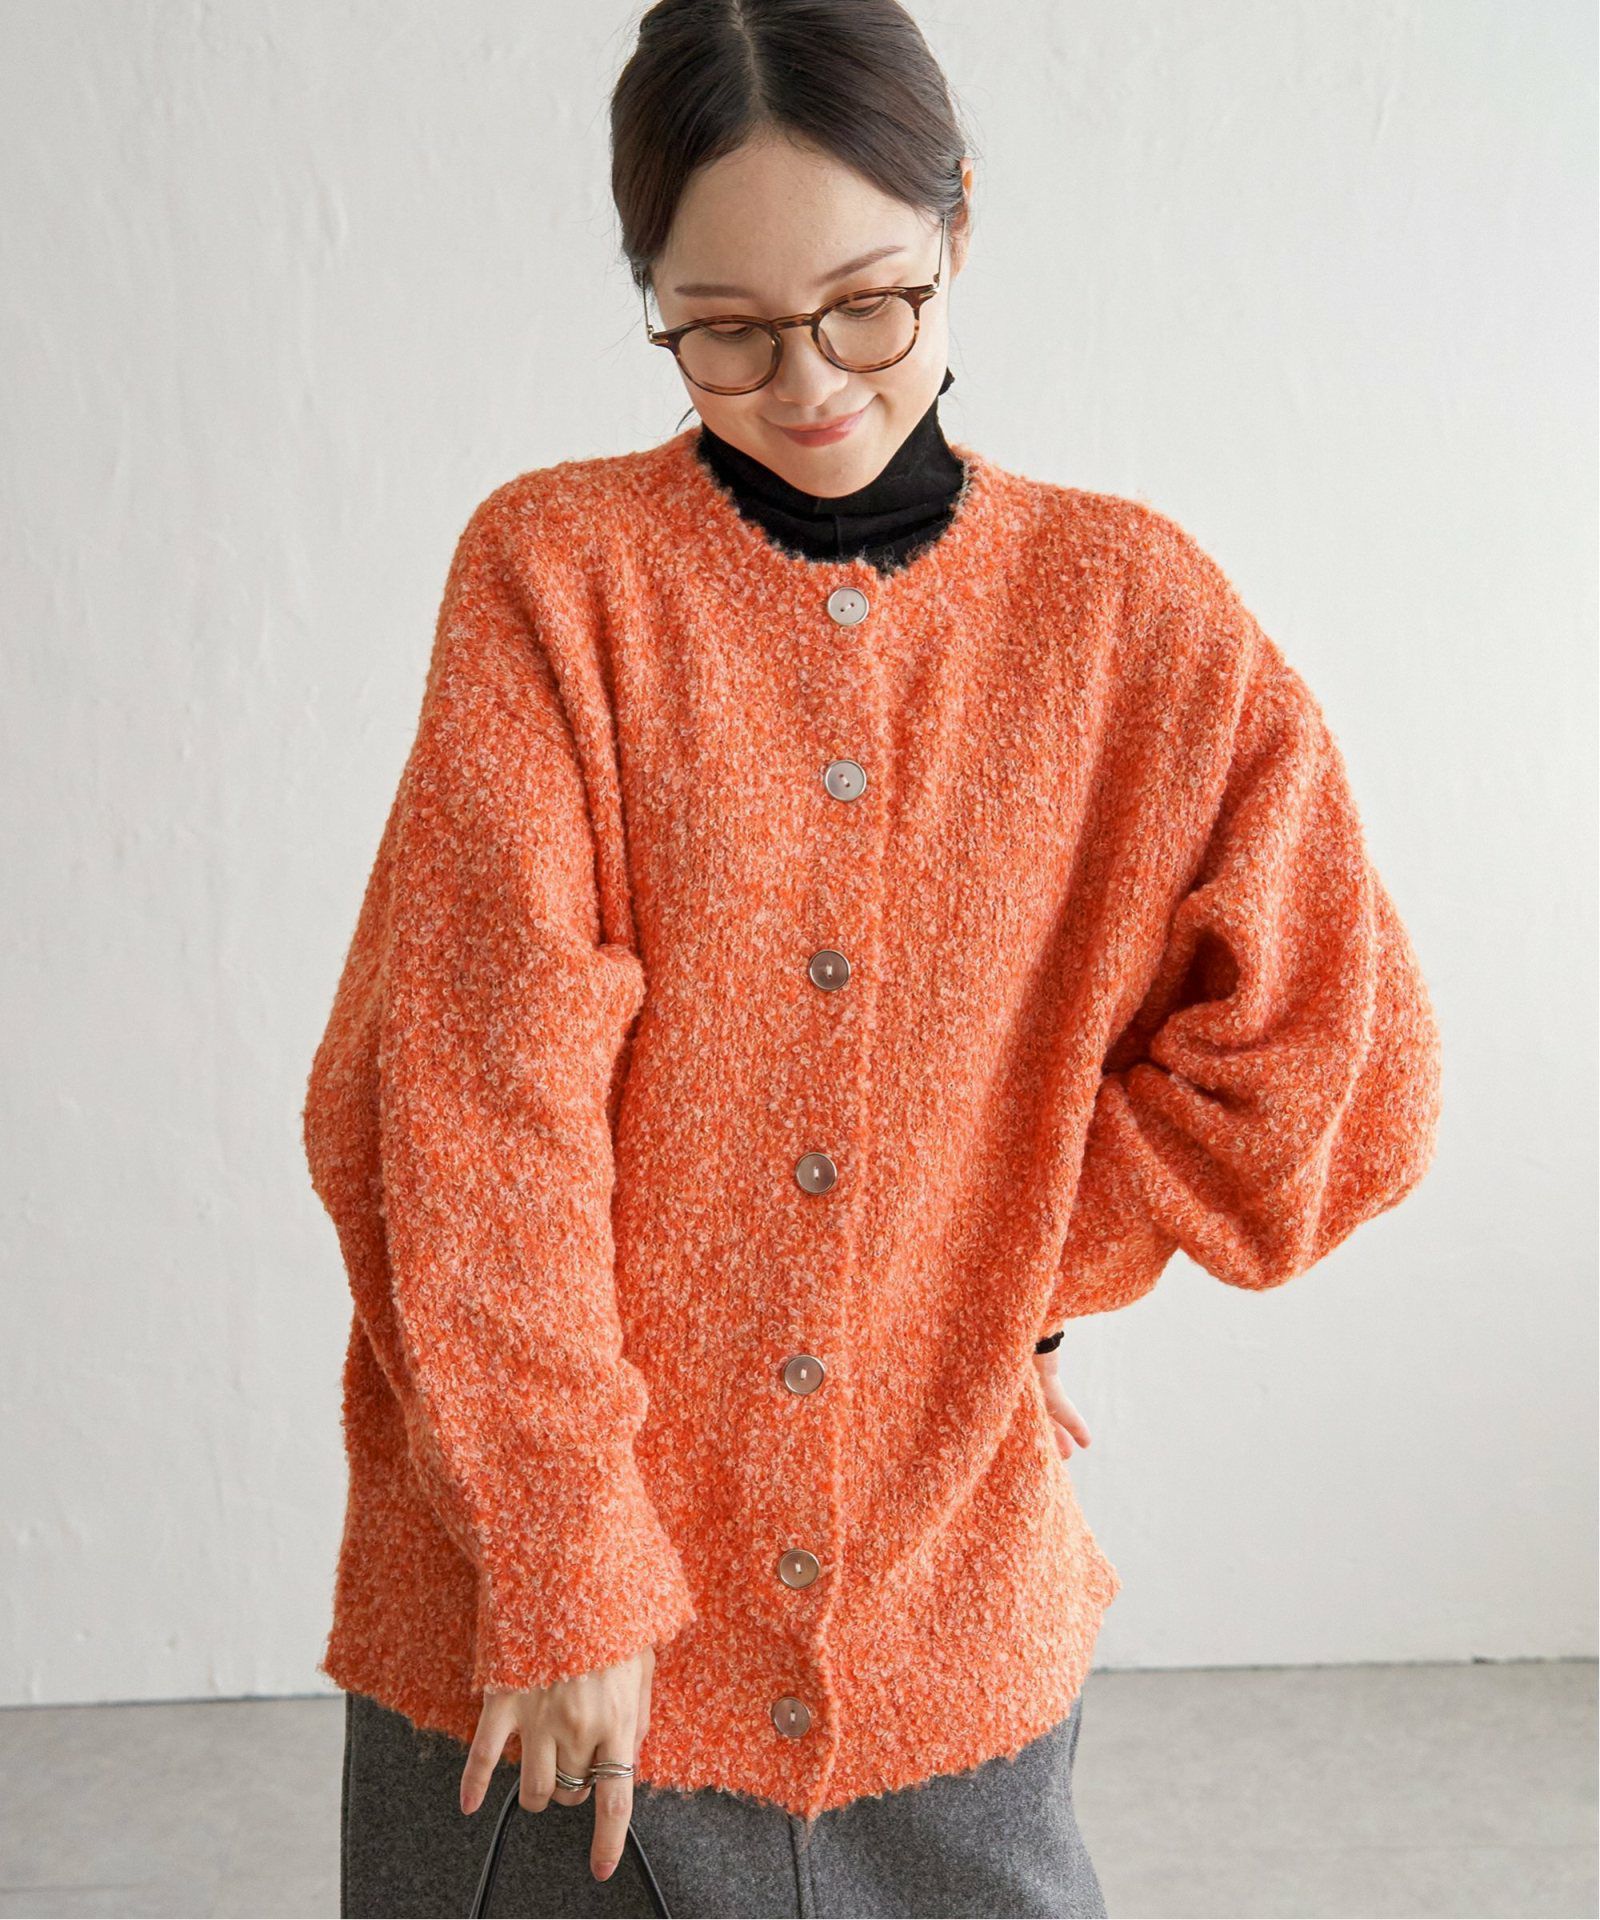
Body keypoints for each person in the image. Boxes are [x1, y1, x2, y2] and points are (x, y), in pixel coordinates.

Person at [305, 2, 1444, 1915]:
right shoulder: (557, 577)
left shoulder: (1131, 615)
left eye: (868, 306)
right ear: (650, 295)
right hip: (552, 1666)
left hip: (944, 1636)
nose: (810, 382)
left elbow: (1345, 1061)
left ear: (958, 227)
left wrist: (999, 1266)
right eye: (725, 329)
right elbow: (464, 1111)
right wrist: (564, 1554)